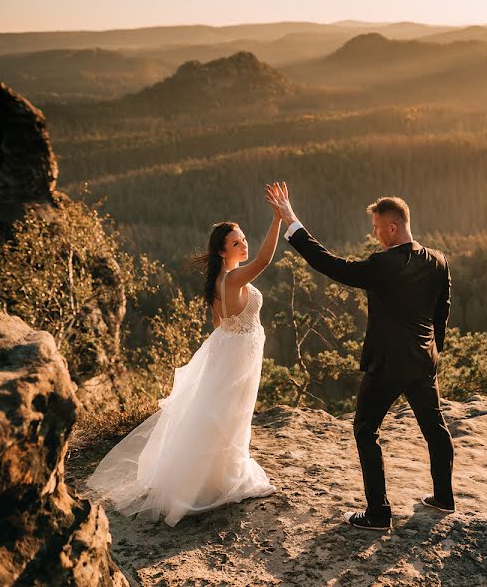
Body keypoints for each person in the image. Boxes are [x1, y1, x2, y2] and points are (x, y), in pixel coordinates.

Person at [86, 182, 289, 527]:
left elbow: (218, 321)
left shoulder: (220, 281)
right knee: (230, 415)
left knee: (224, 415)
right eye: (236, 242)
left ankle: (215, 478)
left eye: (242, 238)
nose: (243, 243)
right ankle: (220, 482)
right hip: (238, 355)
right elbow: (265, 259)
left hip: (232, 351)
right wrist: (278, 218)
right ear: (224, 252)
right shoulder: (234, 278)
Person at [274, 182, 454, 531]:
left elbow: (330, 264)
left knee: (365, 431)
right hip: (421, 363)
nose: (374, 235)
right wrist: (431, 355)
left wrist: (292, 221)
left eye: (376, 227)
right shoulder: (438, 261)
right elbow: (440, 316)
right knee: (434, 427)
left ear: (392, 227)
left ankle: (378, 513)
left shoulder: (382, 264)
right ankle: (444, 497)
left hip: (386, 365)